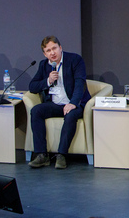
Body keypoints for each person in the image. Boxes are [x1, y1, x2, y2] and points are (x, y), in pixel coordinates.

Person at [27, 35, 91, 169]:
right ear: (45, 54)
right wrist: (48, 81)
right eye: (48, 51)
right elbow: (32, 87)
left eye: (54, 48)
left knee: (70, 115)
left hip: (75, 103)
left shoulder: (75, 60)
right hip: (55, 104)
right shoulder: (44, 65)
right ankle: (41, 155)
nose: (52, 53)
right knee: (36, 111)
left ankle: (62, 155)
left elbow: (80, 84)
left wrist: (73, 103)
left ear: (60, 48)